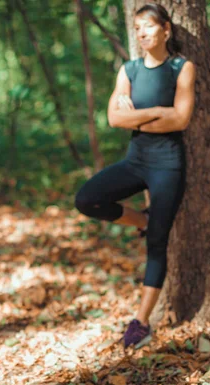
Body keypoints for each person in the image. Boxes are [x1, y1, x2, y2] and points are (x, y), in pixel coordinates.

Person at [75, 3, 196, 349]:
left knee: (157, 241)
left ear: (166, 30)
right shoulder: (129, 69)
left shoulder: (181, 67)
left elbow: (181, 119)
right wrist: (160, 111)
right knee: (86, 199)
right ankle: (139, 218)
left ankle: (141, 322)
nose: (142, 33)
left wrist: (141, 114)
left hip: (168, 165)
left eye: (148, 26)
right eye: (137, 27)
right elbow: (114, 119)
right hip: (136, 161)